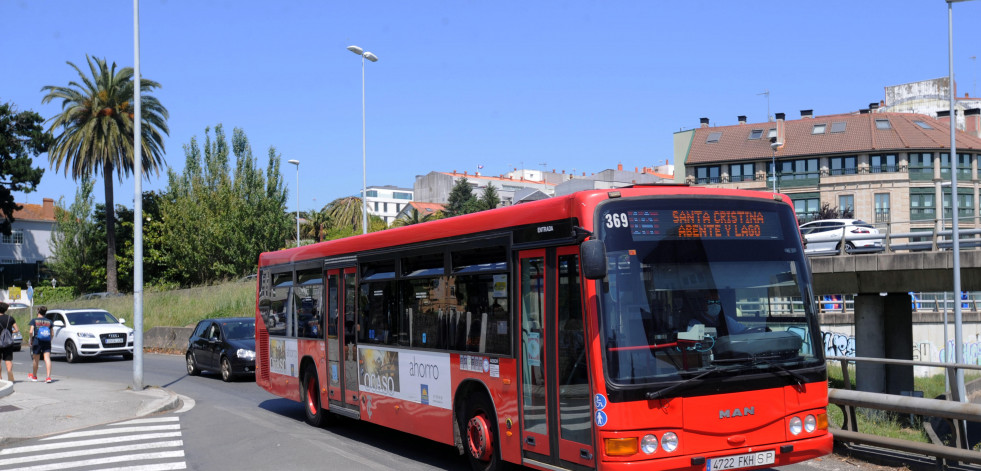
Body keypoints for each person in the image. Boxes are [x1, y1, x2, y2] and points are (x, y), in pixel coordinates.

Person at [28, 306, 52, 383]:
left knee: (36, 359)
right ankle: (48, 377)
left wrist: (31, 339)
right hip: (46, 341)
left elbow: (31, 331)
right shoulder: (49, 321)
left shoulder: (34, 320)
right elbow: (52, 333)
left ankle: (34, 376)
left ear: (38, 312)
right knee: (47, 358)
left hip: (37, 341)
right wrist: (49, 339)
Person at [0, 302, 19, 382]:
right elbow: (17, 330)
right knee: (8, 360)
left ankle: (0, 379)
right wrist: (10, 332)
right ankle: (10, 378)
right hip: (8, 342)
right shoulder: (10, 318)